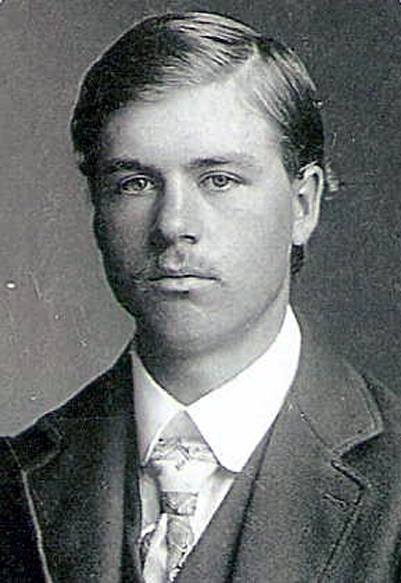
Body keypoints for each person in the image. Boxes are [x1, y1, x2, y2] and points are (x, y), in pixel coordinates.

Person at [1, 11, 401, 582]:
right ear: (97, 210)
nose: (173, 225)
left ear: (303, 205)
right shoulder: (16, 478)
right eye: (135, 183)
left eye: (218, 179)